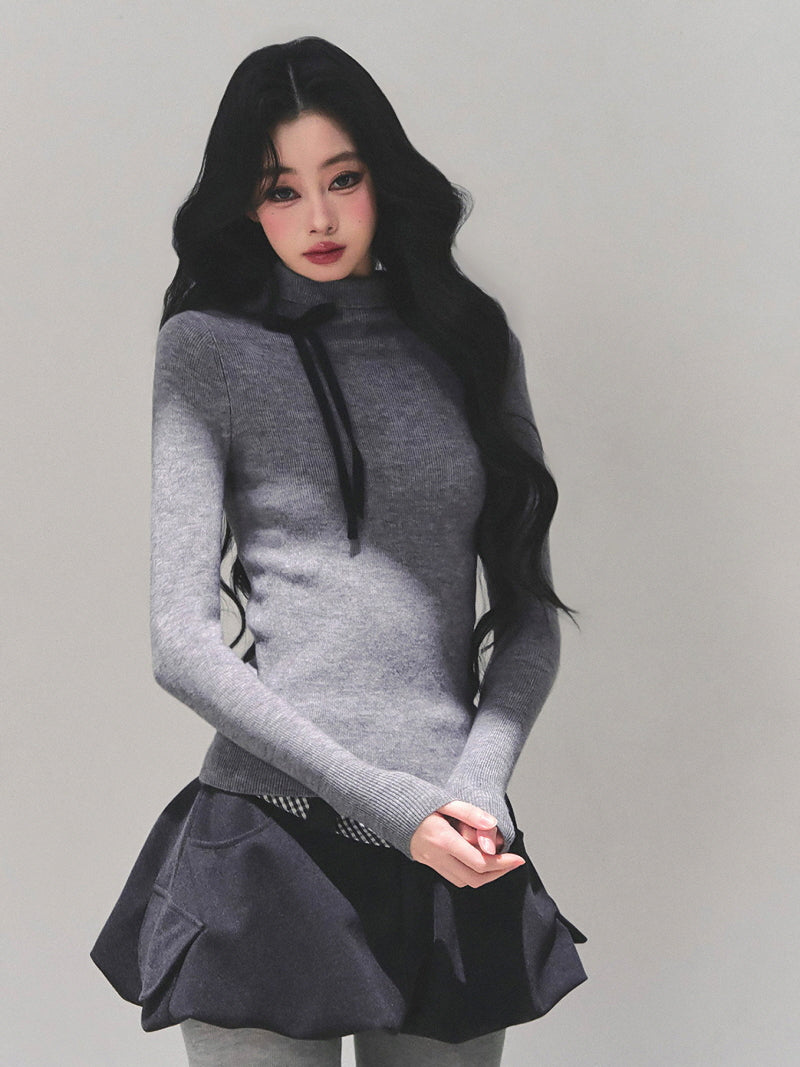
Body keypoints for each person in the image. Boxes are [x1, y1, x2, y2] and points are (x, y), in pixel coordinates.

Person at [90, 36, 588, 1067]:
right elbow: (181, 643)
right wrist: (395, 807)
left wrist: (474, 792)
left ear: (381, 180)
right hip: (270, 838)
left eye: (343, 178)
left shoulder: (469, 342)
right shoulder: (207, 350)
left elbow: (528, 617)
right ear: (245, 203)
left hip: (451, 833)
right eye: (281, 189)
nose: (317, 217)